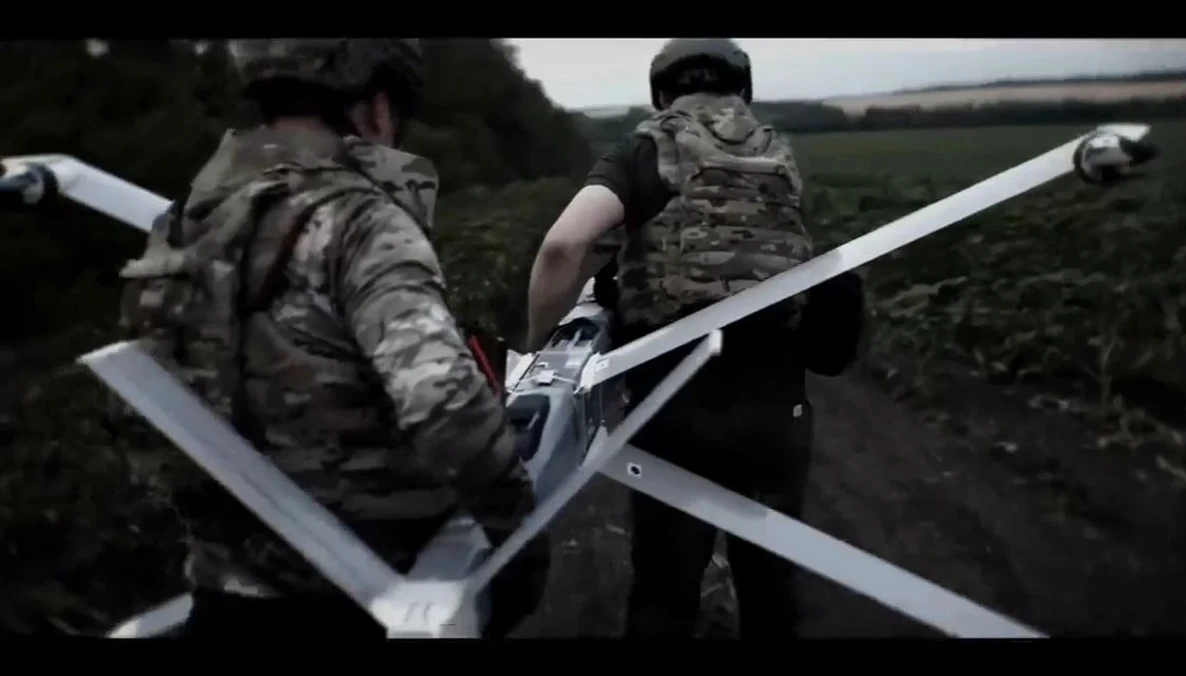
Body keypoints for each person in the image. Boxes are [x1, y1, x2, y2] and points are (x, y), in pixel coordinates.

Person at [116, 39, 549, 639]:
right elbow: (443, 402)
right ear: (376, 107)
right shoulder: (360, 219)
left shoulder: (188, 218)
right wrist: (516, 528)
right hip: (372, 592)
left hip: (229, 594)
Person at [525, 38, 864, 638]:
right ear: (744, 90)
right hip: (775, 412)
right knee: (771, 594)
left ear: (661, 94)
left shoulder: (643, 149)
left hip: (674, 410)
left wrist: (537, 355)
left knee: (664, 595)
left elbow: (562, 246)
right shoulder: (778, 155)